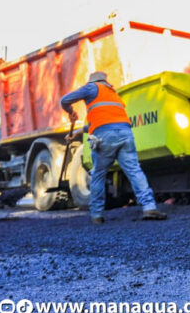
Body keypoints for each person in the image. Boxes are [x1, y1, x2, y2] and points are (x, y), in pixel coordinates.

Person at [61, 71, 167, 224]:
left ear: (92, 81)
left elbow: (64, 100)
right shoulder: (113, 94)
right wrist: (76, 133)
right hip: (125, 135)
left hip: (104, 137)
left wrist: (71, 112)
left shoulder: (91, 88)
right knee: (134, 171)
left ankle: (97, 215)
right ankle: (149, 207)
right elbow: (99, 122)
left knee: (98, 174)